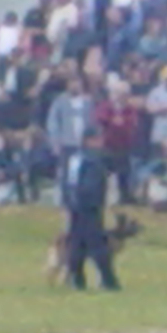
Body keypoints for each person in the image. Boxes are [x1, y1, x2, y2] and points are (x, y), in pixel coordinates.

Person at [63, 125, 120, 291]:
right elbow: (91, 185)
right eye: (97, 139)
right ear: (89, 141)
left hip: (75, 207)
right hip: (89, 208)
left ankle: (77, 279)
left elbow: (68, 183)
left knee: (77, 244)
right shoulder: (93, 160)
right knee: (97, 246)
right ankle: (109, 281)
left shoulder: (75, 158)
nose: (101, 142)